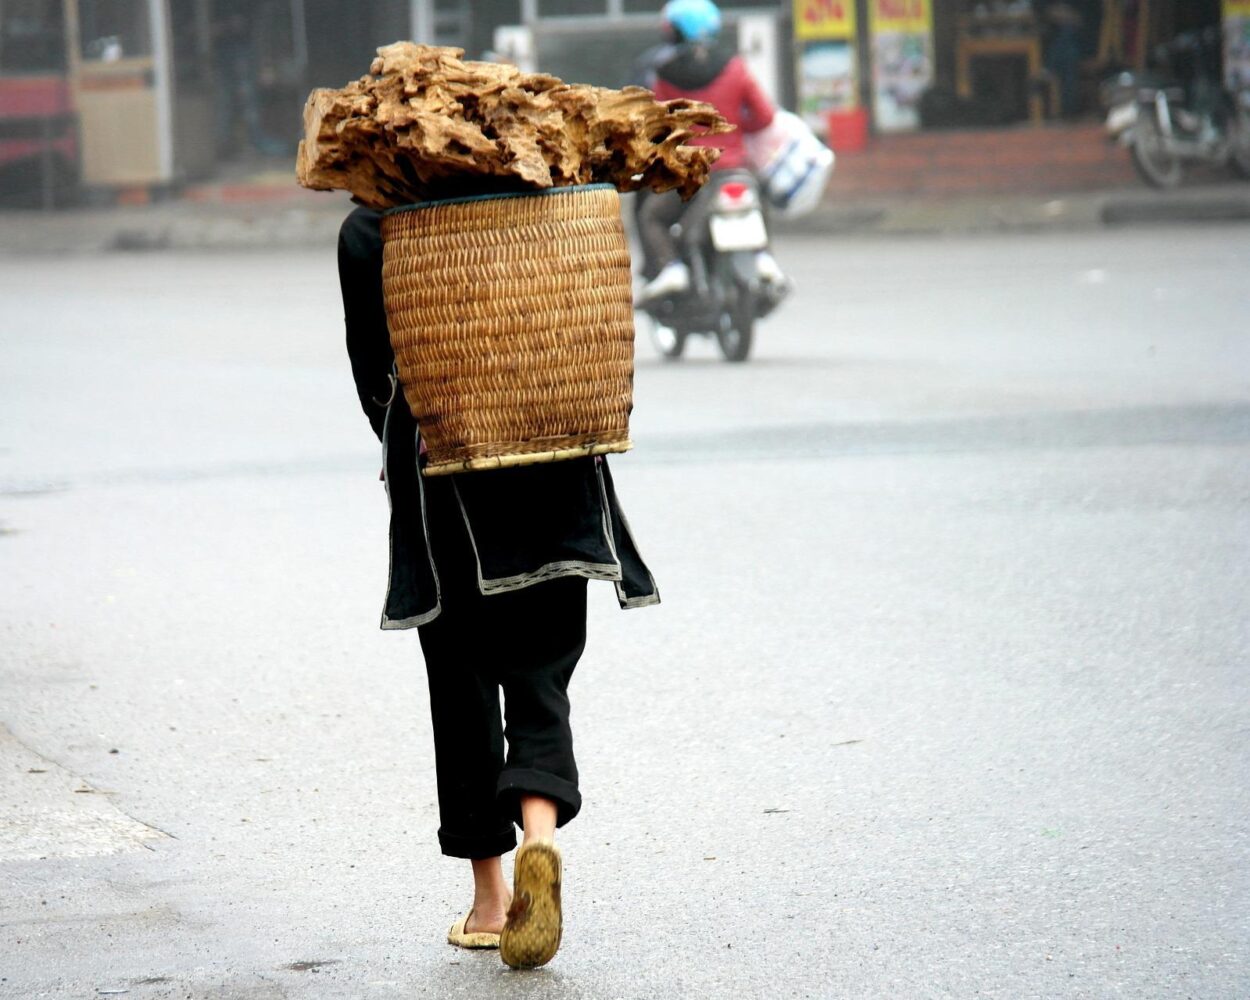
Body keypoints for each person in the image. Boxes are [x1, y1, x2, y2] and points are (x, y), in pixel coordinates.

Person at [337, 206, 660, 969]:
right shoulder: (554, 201)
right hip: (555, 454)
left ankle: (489, 901)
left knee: (462, 677)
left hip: (447, 469)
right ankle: (540, 839)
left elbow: (375, 370)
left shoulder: (372, 227)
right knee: (541, 668)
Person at [636, 0, 785, 301]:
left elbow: (658, 128)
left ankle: (671, 267)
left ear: (676, 31)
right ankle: (764, 257)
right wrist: (737, 126)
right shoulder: (735, 68)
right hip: (734, 167)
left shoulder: (665, 75)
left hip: (688, 176)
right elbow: (765, 116)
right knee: (757, 195)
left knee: (651, 217)